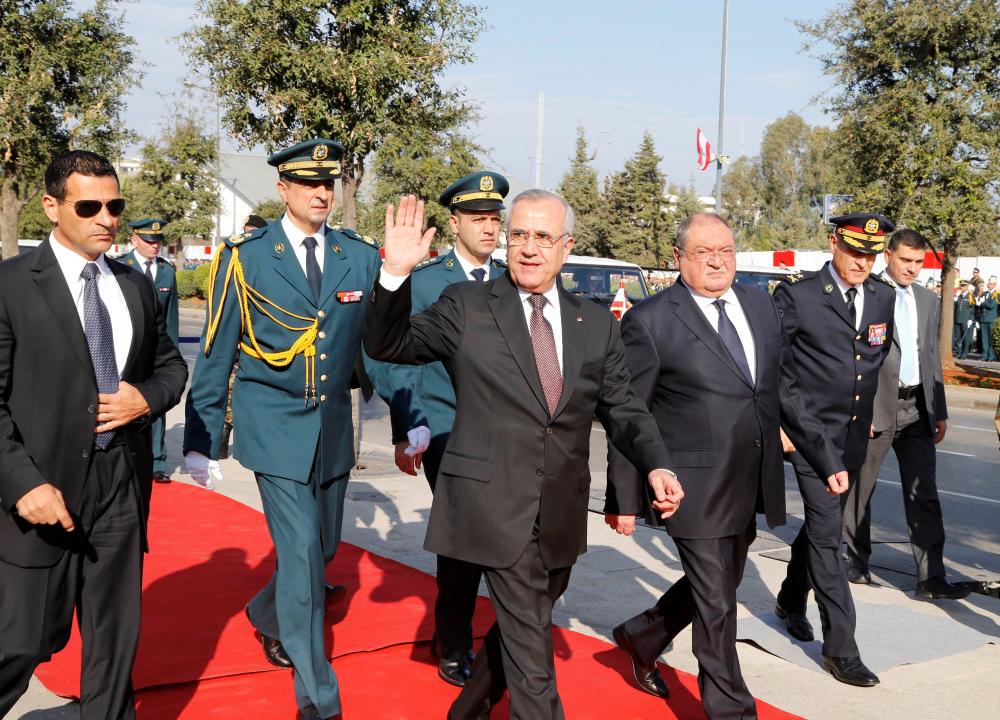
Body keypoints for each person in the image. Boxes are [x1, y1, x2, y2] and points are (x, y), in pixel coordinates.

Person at [364, 190, 683, 720]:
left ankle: (466, 712)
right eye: (519, 235)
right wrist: (395, 274)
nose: (529, 248)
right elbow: (389, 345)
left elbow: (623, 407)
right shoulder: (467, 305)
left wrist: (657, 463)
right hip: (490, 505)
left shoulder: (594, 322)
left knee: (525, 622)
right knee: (534, 659)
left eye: (542, 236)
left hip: (559, 510)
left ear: (566, 247)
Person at [604, 214, 844, 719]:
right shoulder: (650, 320)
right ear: (678, 259)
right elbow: (628, 413)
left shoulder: (759, 306)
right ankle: (732, 709)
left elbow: (785, 390)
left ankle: (643, 635)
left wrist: (823, 455)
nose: (716, 261)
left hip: (749, 479)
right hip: (687, 486)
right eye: (702, 252)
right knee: (717, 604)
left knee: (720, 584)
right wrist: (622, 497)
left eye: (725, 251)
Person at [184, 139, 380, 720]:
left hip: (332, 428)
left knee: (323, 548)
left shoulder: (357, 255)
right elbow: (216, 350)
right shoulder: (246, 257)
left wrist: (410, 418)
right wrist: (201, 440)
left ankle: (267, 613)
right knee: (301, 560)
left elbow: (376, 347)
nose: (321, 193)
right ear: (283, 189)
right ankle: (318, 697)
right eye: (308, 183)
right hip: (272, 426)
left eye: (328, 183)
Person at [0, 150, 188, 718]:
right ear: (51, 206)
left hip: (121, 483)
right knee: (24, 640)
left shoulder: (133, 285)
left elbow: (170, 367)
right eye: (89, 207)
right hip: (43, 490)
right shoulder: (10, 285)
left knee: (113, 642)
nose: (106, 218)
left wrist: (144, 399)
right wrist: (23, 483)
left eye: (115, 205)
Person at [364, 170, 509, 686]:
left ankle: (498, 635)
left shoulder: (511, 280)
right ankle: (453, 639)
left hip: (506, 434)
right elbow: (392, 358)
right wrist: (413, 424)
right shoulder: (425, 281)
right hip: (447, 430)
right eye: (478, 218)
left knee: (501, 535)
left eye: (495, 218)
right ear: (454, 223)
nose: (488, 227)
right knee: (464, 536)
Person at [773, 213, 896, 688]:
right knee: (829, 540)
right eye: (855, 252)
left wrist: (867, 414)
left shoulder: (882, 296)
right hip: (810, 437)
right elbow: (776, 368)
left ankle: (789, 597)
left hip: (853, 436)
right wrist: (783, 423)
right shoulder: (799, 296)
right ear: (833, 244)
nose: (863, 262)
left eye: (871, 255)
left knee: (821, 525)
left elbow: (873, 358)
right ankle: (841, 649)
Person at [843, 228, 969, 600]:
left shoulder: (927, 299)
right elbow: (852, 358)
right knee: (860, 490)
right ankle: (854, 561)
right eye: (906, 260)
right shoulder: (867, 293)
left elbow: (930, 356)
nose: (913, 268)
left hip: (917, 410)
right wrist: (858, 409)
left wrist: (939, 409)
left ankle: (931, 577)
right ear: (888, 256)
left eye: (918, 262)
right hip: (875, 408)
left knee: (923, 493)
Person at [114, 218, 180, 482]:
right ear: (134, 240)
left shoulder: (167, 271)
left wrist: (171, 356)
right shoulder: (121, 268)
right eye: (149, 241)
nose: (154, 246)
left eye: (158, 241)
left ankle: (158, 460)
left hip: (157, 351)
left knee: (157, 403)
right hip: (129, 350)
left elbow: (171, 318)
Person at [976, 276, 997, 361]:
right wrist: (979, 303)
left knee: (991, 339)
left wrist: (983, 302)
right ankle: (984, 356)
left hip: (991, 319)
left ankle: (991, 356)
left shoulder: (996, 294)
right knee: (984, 339)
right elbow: (980, 305)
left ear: (995, 284)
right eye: (988, 284)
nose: (989, 285)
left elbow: (991, 306)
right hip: (983, 319)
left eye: (991, 284)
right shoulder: (985, 293)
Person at [953, 281, 976, 358]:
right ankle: (958, 353)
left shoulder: (970, 296)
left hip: (966, 319)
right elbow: (955, 308)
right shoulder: (959, 296)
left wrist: (971, 319)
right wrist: (955, 300)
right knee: (957, 337)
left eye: (963, 286)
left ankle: (964, 354)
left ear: (967, 287)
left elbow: (973, 309)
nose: (962, 287)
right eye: (961, 285)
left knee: (965, 338)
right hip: (958, 319)